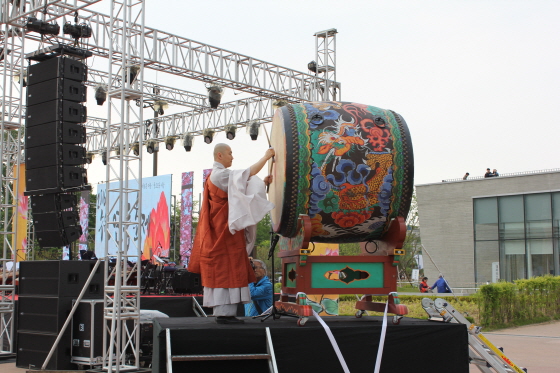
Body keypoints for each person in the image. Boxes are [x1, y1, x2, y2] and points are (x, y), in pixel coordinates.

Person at [188, 143, 275, 324]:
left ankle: (227, 313)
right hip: (222, 233)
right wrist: (266, 157)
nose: (232, 157)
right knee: (225, 271)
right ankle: (224, 313)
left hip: (225, 232)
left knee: (231, 268)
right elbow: (247, 174)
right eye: (230, 153)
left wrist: (263, 183)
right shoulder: (219, 175)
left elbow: (241, 191)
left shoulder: (218, 175)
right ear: (219, 155)